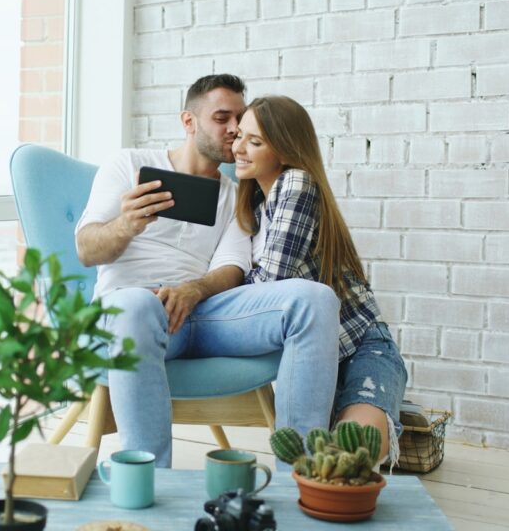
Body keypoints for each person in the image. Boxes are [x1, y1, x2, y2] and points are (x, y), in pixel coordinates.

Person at [75, 74, 341, 467]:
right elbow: (86, 249)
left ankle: (300, 475)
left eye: (240, 119)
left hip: (204, 313)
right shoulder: (128, 164)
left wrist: (193, 290)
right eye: (222, 118)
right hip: (136, 310)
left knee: (316, 298)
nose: (235, 130)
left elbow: (233, 267)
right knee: (135, 306)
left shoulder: (236, 194)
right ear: (189, 122)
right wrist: (127, 224)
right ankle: (149, 477)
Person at [231, 95, 408, 466]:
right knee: (317, 460)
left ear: (285, 149)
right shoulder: (256, 210)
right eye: (239, 136)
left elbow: (273, 286)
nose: (238, 148)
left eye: (255, 141)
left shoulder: (296, 182)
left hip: (361, 349)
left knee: (349, 457)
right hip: (311, 361)